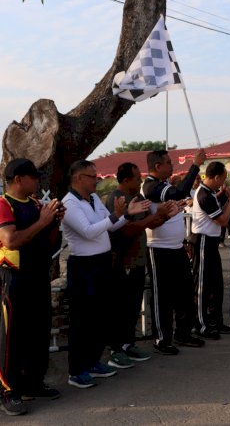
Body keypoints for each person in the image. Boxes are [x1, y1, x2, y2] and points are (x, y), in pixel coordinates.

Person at [61, 160, 150, 389]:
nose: (97, 180)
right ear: (79, 178)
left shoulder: (93, 200)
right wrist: (116, 216)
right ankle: (77, 369)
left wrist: (127, 215)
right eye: (92, 176)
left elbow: (110, 226)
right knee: (82, 319)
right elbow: (89, 232)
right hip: (84, 266)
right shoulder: (70, 203)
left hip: (101, 262)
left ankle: (93, 362)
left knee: (99, 316)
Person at [0, 159, 64, 416]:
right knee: (13, 336)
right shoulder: (2, 206)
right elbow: (11, 240)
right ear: (18, 179)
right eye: (33, 177)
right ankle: (9, 390)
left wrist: (53, 221)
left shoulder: (34, 205)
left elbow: (48, 242)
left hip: (36, 275)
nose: (37, 182)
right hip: (13, 277)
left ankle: (33, 382)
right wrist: (43, 221)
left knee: (39, 330)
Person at [106, 163, 180, 367]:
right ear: (126, 179)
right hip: (123, 261)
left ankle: (129, 344)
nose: (140, 181)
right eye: (138, 177)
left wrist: (165, 215)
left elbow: (149, 223)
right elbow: (125, 229)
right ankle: (116, 349)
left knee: (132, 306)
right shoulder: (116, 199)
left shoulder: (137, 198)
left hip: (138, 259)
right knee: (120, 307)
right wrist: (154, 217)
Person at [142, 149, 206, 354]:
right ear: (158, 166)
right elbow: (180, 193)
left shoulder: (164, 185)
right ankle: (162, 338)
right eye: (169, 163)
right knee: (163, 296)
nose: (172, 166)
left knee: (184, 292)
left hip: (176, 247)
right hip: (159, 249)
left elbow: (176, 200)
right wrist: (195, 165)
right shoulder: (151, 186)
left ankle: (183, 332)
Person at [190, 161, 230, 336]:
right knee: (203, 285)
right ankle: (201, 325)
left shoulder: (210, 194)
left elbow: (221, 214)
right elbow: (223, 221)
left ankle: (216, 321)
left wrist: (228, 199)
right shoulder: (204, 195)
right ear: (216, 177)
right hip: (203, 241)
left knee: (216, 285)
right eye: (223, 179)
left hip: (211, 242)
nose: (224, 183)